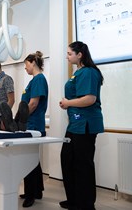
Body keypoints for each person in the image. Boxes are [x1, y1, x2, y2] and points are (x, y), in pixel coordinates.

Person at [59, 41, 104, 210]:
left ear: (80, 55)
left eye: (70, 53)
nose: (67, 56)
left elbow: (89, 99)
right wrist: (68, 103)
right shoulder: (78, 73)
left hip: (85, 125)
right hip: (75, 124)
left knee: (82, 165)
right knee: (68, 160)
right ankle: (74, 200)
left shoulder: (89, 72)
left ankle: (85, 204)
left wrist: (68, 102)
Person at [18, 51, 48, 208]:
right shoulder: (35, 80)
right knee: (33, 159)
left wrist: (19, 121)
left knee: (27, 159)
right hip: (31, 125)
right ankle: (37, 191)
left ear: (32, 63)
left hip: (33, 125)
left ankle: (31, 194)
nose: (25, 68)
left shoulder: (38, 80)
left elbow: (33, 104)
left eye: (25, 65)